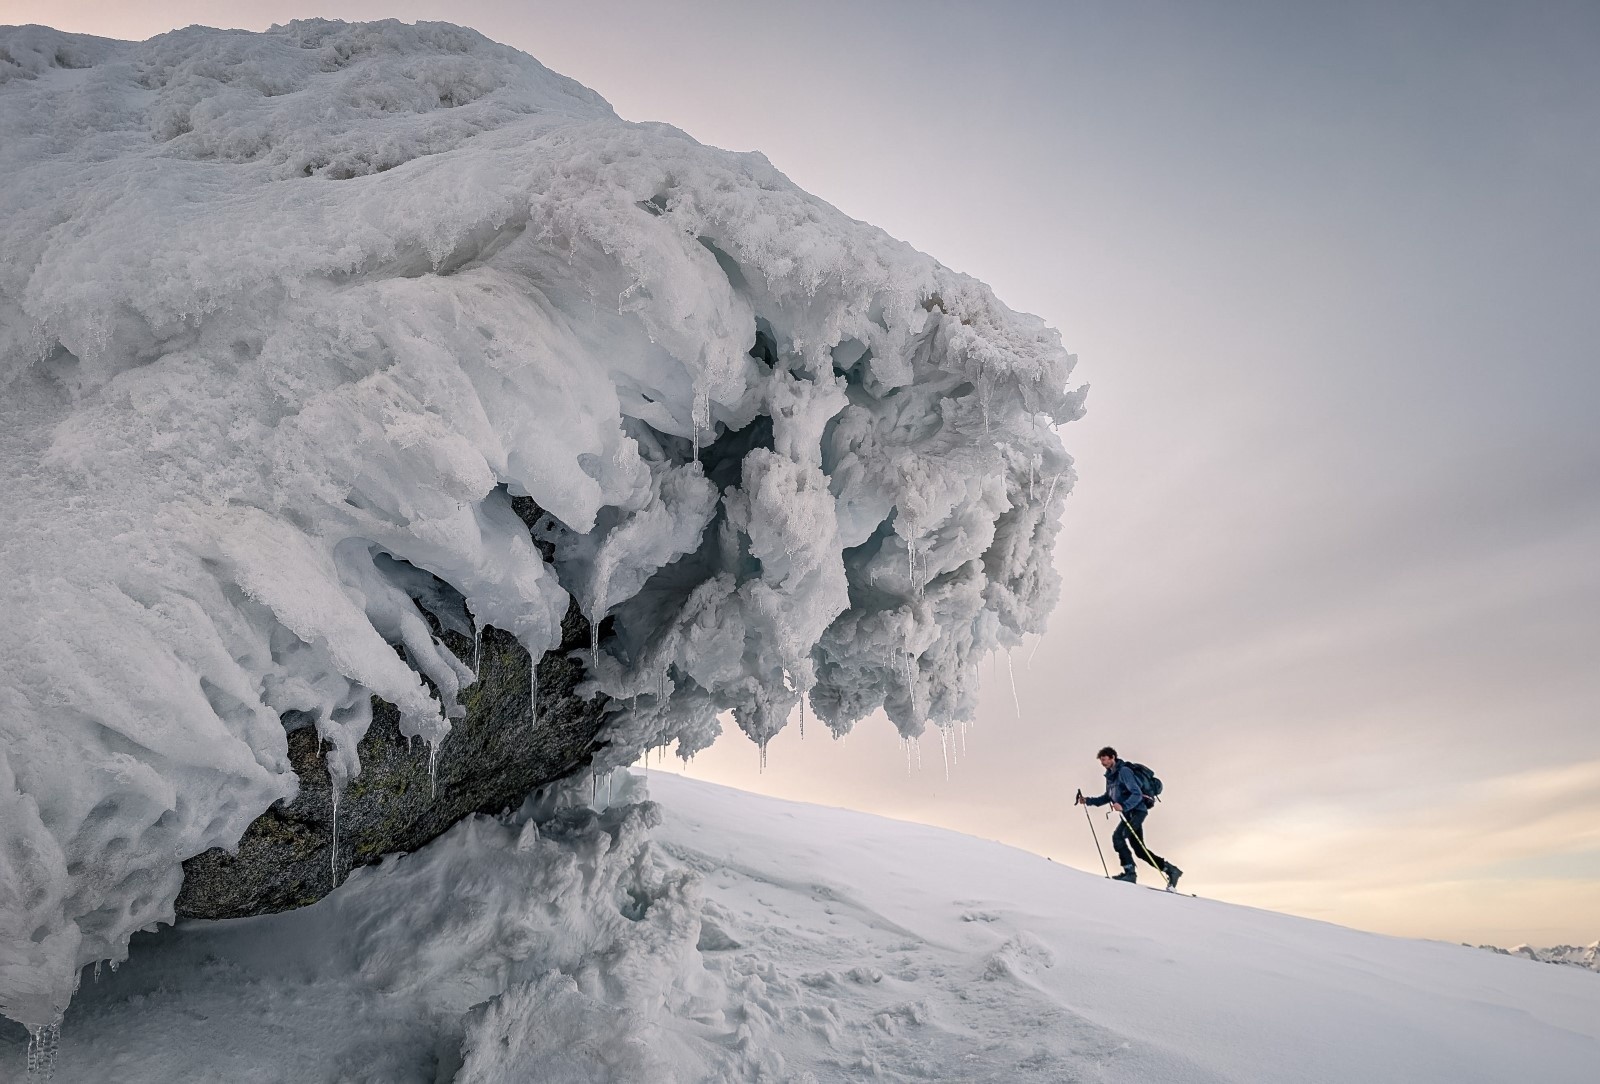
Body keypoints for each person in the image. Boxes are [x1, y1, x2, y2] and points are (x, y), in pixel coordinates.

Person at [1076, 746, 1183, 888]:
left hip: (1137, 811)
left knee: (1119, 837)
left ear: (1113, 757)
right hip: (1128, 814)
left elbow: (1136, 793)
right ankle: (1171, 870)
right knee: (1139, 850)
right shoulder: (1110, 777)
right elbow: (1107, 797)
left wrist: (1124, 806)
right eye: (1101, 761)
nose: (1103, 763)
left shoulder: (1124, 772)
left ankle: (1130, 873)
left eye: (1105, 760)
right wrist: (1087, 800)